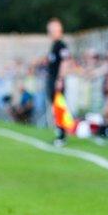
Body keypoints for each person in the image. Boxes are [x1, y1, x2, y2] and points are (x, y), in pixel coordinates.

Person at [45, 17, 71, 146]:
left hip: (57, 80)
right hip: (52, 79)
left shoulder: (61, 45)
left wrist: (60, 79)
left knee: (59, 107)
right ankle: (59, 132)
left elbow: (65, 62)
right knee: (55, 108)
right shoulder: (54, 45)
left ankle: (62, 135)